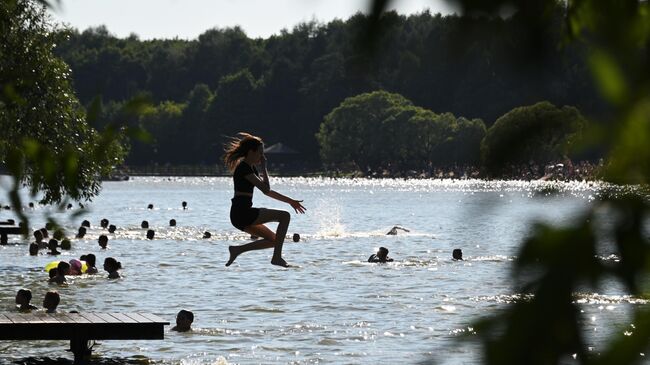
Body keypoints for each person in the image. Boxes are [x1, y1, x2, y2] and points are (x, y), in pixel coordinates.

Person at [223, 133, 306, 267]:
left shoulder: (251, 168)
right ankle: (277, 257)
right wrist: (291, 201)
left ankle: (237, 250)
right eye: (260, 153)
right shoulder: (244, 168)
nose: (262, 156)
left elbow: (266, 188)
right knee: (284, 216)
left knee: (274, 240)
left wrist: (263, 168)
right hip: (242, 213)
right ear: (251, 152)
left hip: (240, 215)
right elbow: (266, 191)